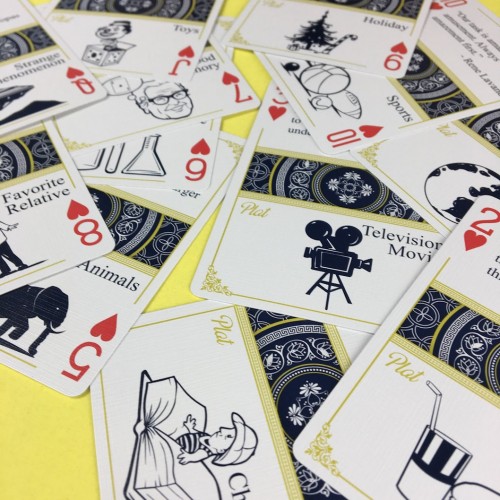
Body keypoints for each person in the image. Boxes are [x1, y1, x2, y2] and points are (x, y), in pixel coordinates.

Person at [176, 412, 258, 466]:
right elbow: (195, 433)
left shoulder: (206, 450)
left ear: (221, 450)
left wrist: (189, 457)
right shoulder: (206, 436)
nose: (222, 429)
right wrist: (190, 428)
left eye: (228, 436)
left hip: (178, 448)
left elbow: (197, 456)